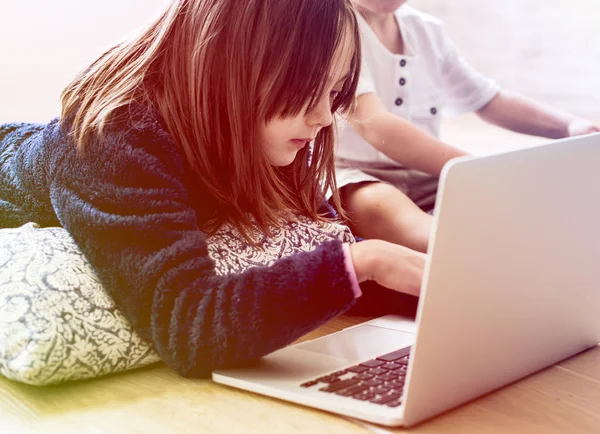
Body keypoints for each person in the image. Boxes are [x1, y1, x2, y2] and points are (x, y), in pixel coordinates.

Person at [0, 0, 428, 378]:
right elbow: (188, 329)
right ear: (231, 66)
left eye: (332, 91)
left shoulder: (261, 132)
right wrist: (365, 259)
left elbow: (332, 254)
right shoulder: (112, 139)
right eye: (305, 88)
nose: (322, 115)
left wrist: (461, 293)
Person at [335, 0, 600, 253]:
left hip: (426, 175)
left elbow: (487, 98)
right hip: (357, 175)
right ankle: (468, 252)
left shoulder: (425, 30)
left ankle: (539, 249)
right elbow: (376, 126)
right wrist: (478, 169)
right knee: (381, 206)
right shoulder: (336, 28)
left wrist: (569, 126)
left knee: (512, 205)